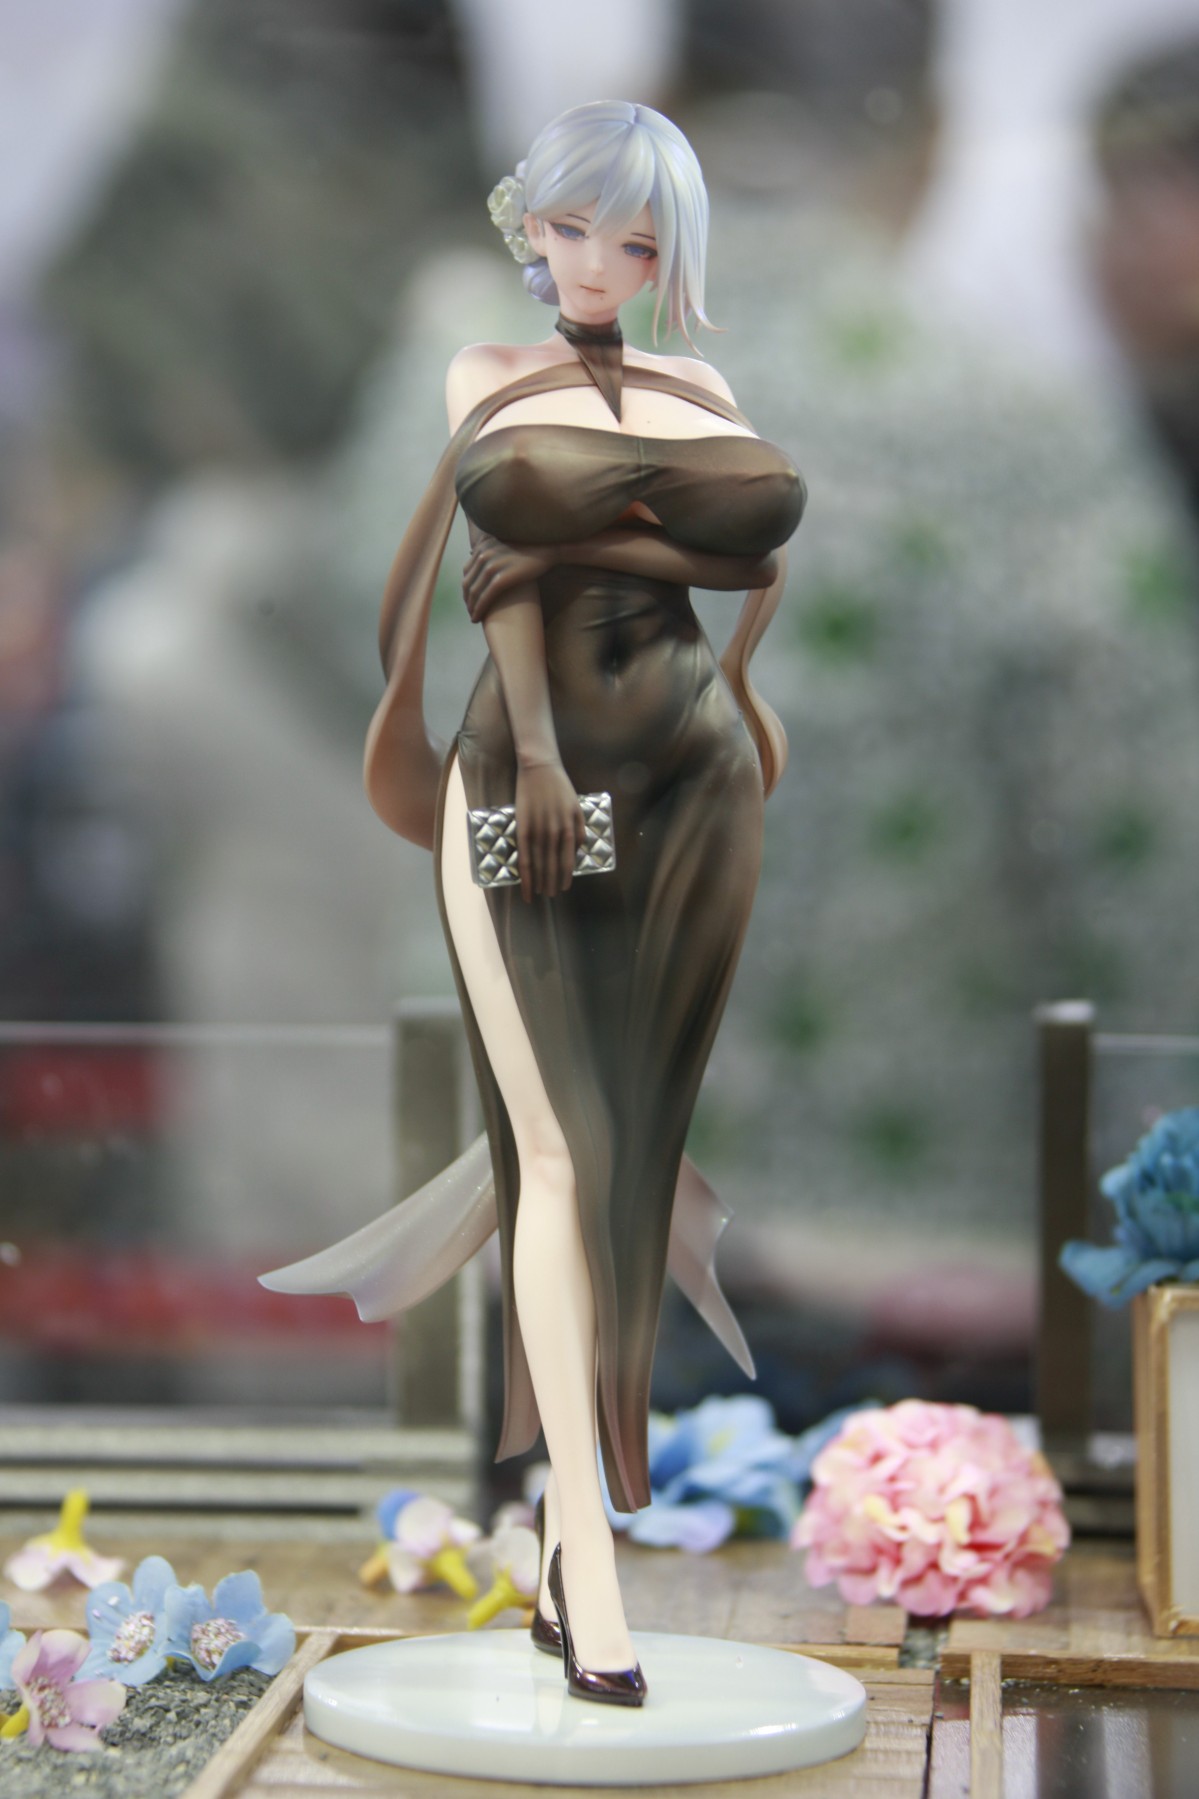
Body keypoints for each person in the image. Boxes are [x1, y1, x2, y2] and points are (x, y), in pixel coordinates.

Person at [267, 100, 804, 1706]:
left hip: (696, 778)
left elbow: (754, 563)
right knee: (554, 1148)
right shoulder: (484, 376)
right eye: (572, 229)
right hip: (525, 785)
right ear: (531, 227)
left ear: (668, 254)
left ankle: (577, 1539)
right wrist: (554, 742)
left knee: (626, 1151)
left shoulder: (706, 390)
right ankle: (590, 1545)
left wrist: (627, 546)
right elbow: (499, 575)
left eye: (632, 240)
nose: (596, 262)